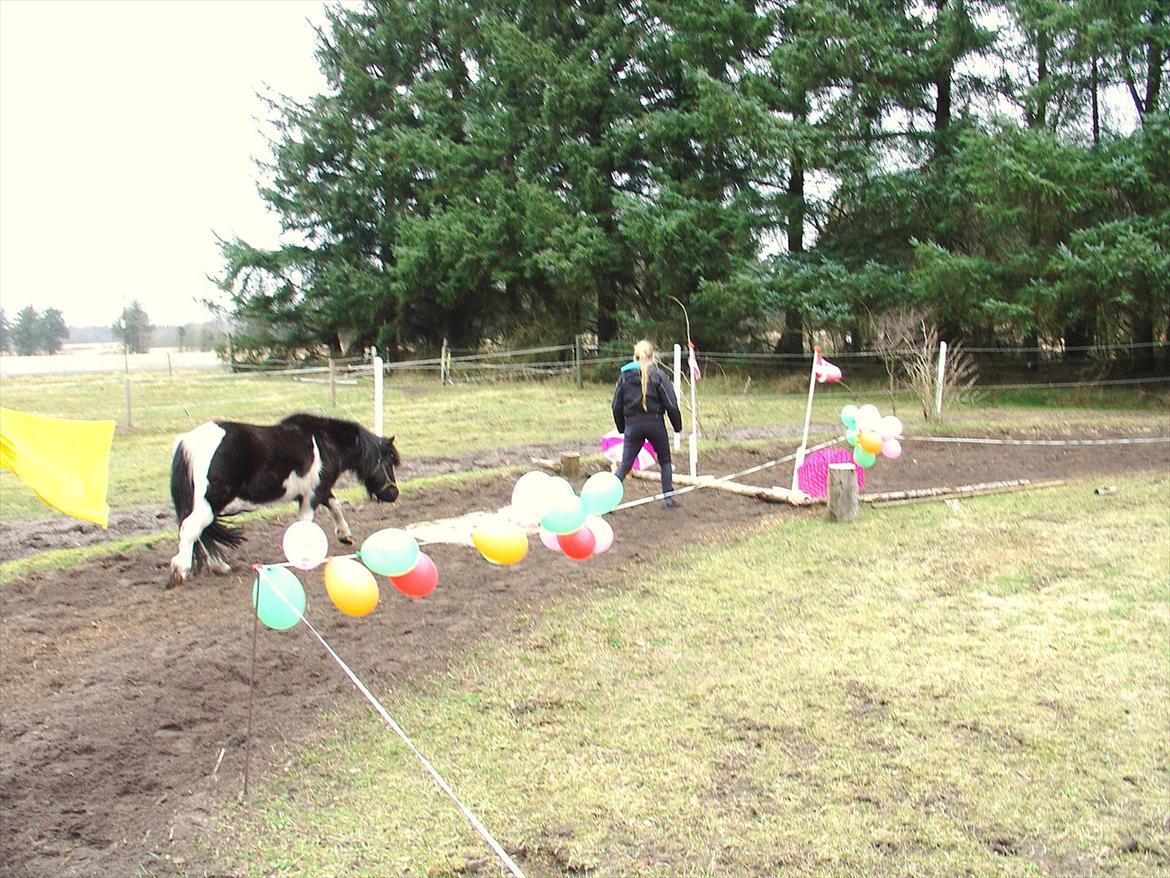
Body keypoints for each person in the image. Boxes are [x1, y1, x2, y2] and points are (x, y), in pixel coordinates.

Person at [611, 339, 683, 508]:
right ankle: (668, 498)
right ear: (653, 356)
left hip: (633, 425)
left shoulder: (624, 377)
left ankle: (607, 498)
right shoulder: (659, 376)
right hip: (655, 423)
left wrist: (622, 428)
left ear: (635, 356)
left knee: (625, 466)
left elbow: (616, 406)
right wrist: (677, 426)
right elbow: (671, 404)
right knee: (665, 461)